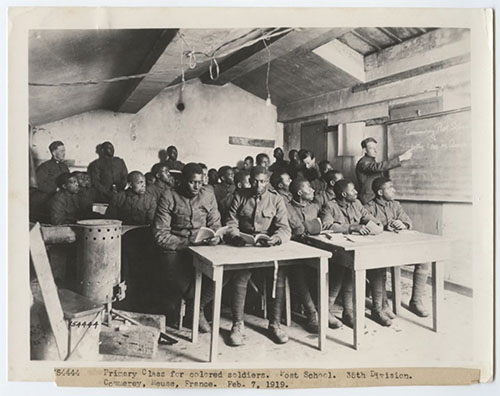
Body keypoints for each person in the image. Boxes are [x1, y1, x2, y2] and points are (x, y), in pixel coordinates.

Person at [225, 166, 291, 346]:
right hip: (244, 245)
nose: (258, 185)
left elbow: (284, 228)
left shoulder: (276, 199)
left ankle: (274, 324)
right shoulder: (240, 196)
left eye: (262, 181)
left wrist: (276, 239)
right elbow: (231, 221)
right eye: (254, 181)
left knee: (278, 275)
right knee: (240, 275)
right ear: (249, 180)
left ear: (267, 182)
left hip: (267, 246)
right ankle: (237, 325)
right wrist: (235, 235)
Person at [153, 163, 222, 333]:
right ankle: (196, 307)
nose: (197, 186)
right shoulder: (169, 196)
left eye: (200, 182)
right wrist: (188, 244)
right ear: (182, 181)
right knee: (174, 275)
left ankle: (196, 306)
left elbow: (215, 223)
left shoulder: (208, 194)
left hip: (204, 246)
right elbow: (160, 235)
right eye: (192, 182)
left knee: (225, 271)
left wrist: (216, 236)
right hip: (176, 247)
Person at [319, 179, 385, 327]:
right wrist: (352, 227)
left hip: (357, 247)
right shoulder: (330, 206)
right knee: (342, 271)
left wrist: (375, 224)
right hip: (337, 249)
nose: (356, 192)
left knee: (373, 268)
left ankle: (353, 312)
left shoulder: (357, 203)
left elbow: (367, 217)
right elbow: (327, 225)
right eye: (352, 190)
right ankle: (326, 311)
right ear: (343, 194)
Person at [365, 177, 429, 318]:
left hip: (398, 247)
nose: (394, 190)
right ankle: (383, 304)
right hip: (381, 249)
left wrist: (403, 224)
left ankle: (416, 301)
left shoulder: (396, 205)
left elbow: (407, 220)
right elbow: (369, 224)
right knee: (378, 265)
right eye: (390, 187)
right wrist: (384, 226)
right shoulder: (368, 207)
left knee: (424, 261)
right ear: (380, 192)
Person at [285, 178, 324, 333]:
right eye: (309, 188)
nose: (313, 191)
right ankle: (311, 313)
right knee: (298, 271)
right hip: (294, 251)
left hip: (315, 249)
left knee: (324, 269)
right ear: (300, 193)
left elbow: (322, 226)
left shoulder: (314, 207)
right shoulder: (286, 208)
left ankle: (323, 308)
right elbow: (289, 231)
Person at [355, 137, 413, 204]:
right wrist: (401, 158)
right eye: (371, 148)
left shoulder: (371, 161)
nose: (375, 151)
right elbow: (378, 167)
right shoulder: (363, 162)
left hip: (375, 198)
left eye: (376, 148)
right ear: (364, 150)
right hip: (368, 199)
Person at [30, 141, 70, 222]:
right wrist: (55, 189)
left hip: (61, 197)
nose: (64, 153)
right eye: (61, 151)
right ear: (54, 153)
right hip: (47, 198)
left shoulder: (64, 167)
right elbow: (38, 183)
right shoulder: (45, 166)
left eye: (64, 151)